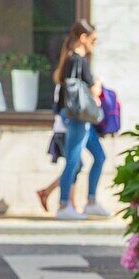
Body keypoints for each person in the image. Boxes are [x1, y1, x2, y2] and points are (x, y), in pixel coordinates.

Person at [52, 19, 108, 220]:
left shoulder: (69, 60)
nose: (94, 44)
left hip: (78, 117)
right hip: (77, 117)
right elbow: (93, 89)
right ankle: (64, 204)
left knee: (99, 156)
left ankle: (91, 201)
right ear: (83, 38)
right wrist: (99, 84)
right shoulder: (78, 60)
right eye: (93, 39)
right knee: (73, 161)